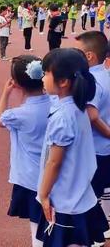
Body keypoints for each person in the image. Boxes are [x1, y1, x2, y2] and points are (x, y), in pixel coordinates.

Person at [36, 48, 109, 246]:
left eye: (46, 73)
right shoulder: (78, 106)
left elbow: (54, 162)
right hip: (81, 193)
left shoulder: (62, 117)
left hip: (65, 200)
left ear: (63, 82)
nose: (42, 78)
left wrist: (43, 194)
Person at [0, 55, 50, 247]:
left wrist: (6, 93)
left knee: (37, 227)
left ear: (17, 83)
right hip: (54, 174)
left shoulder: (19, 114)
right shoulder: (54, 102)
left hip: (30, 178)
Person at [75, 31, 110, 235]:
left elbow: (92, 115)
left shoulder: (93, 82)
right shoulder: (104, 75)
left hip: (96, 149)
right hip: (102, 148)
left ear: (89, 56)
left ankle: (94, 235)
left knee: (89, 196)